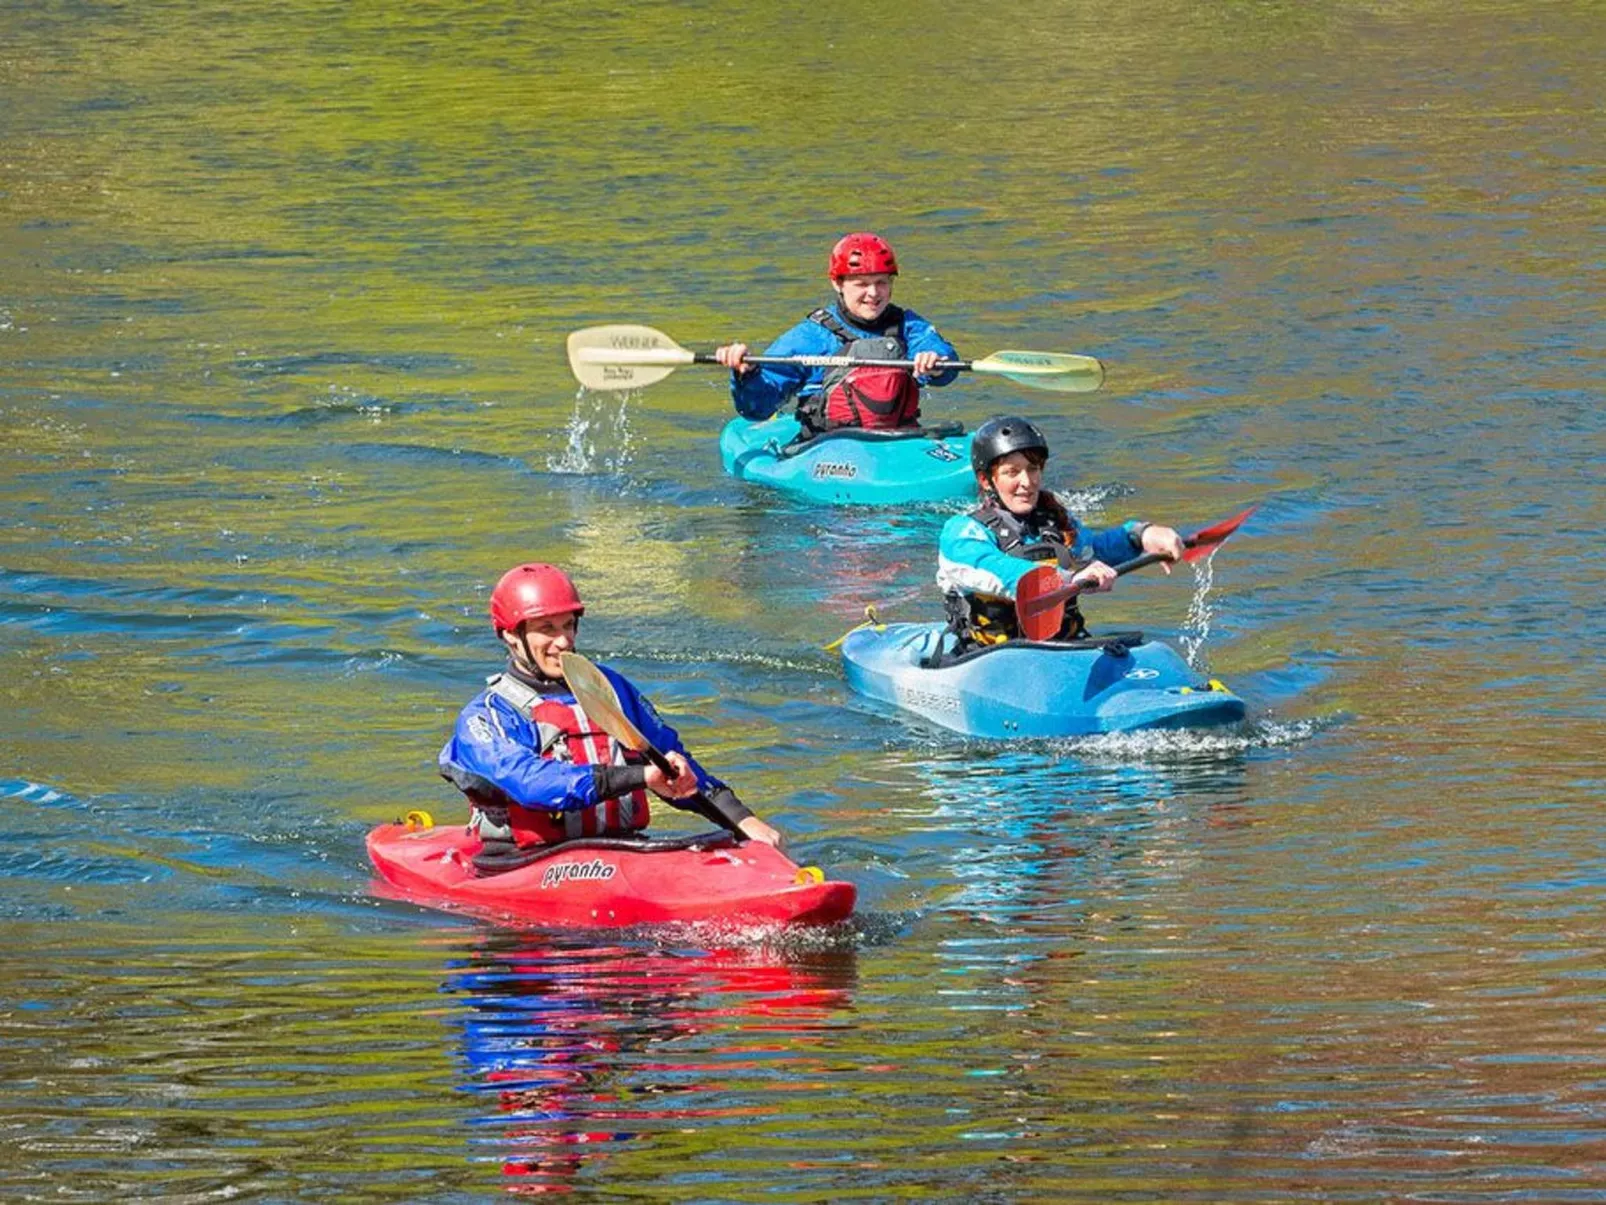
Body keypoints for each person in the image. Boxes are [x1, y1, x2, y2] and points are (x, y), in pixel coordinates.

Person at [439, 563, 785, 872]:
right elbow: (533, 784)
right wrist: (640, 777)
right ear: (511, 636)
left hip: (620, 850)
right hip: (523, 863)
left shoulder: (608, 688)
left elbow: (668, 757)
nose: (563, 641)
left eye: (568, 626)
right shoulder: (486, 716)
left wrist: (743, 820)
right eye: (547, 629)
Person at [936, 415, 1187, 650]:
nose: (1027, 481)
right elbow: (997, 569)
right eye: (1012, 472)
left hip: (1063, 651)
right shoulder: (962, 532)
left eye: (1033, 469)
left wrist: (1141, 535)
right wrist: (1067, 579)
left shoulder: (1054, 524)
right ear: (985, 480)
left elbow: (1095, 550)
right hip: (987, 658)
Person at [713, 232, 960, 436]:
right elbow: (757, 408)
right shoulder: (809, 337)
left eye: (881, 282)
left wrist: (935, 362)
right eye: (861, 284)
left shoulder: (907, 324)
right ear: (838, 283)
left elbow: (941, 358)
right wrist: (747, 374)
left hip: (897, 437)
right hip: (826, 445)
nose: (873, 293)